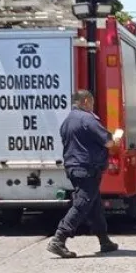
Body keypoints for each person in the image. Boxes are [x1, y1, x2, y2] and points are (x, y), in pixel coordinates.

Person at [47, 90, 120, 259]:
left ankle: (104, 241)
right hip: (87, 168)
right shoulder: (88, 119)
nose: (92, 106)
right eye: (92, 103)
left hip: (73, 167)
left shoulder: (67, 121)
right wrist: (116, 139)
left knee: (94, 206)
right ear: (86, 101)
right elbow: (108, 142)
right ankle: (59, 239)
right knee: (82, 203)